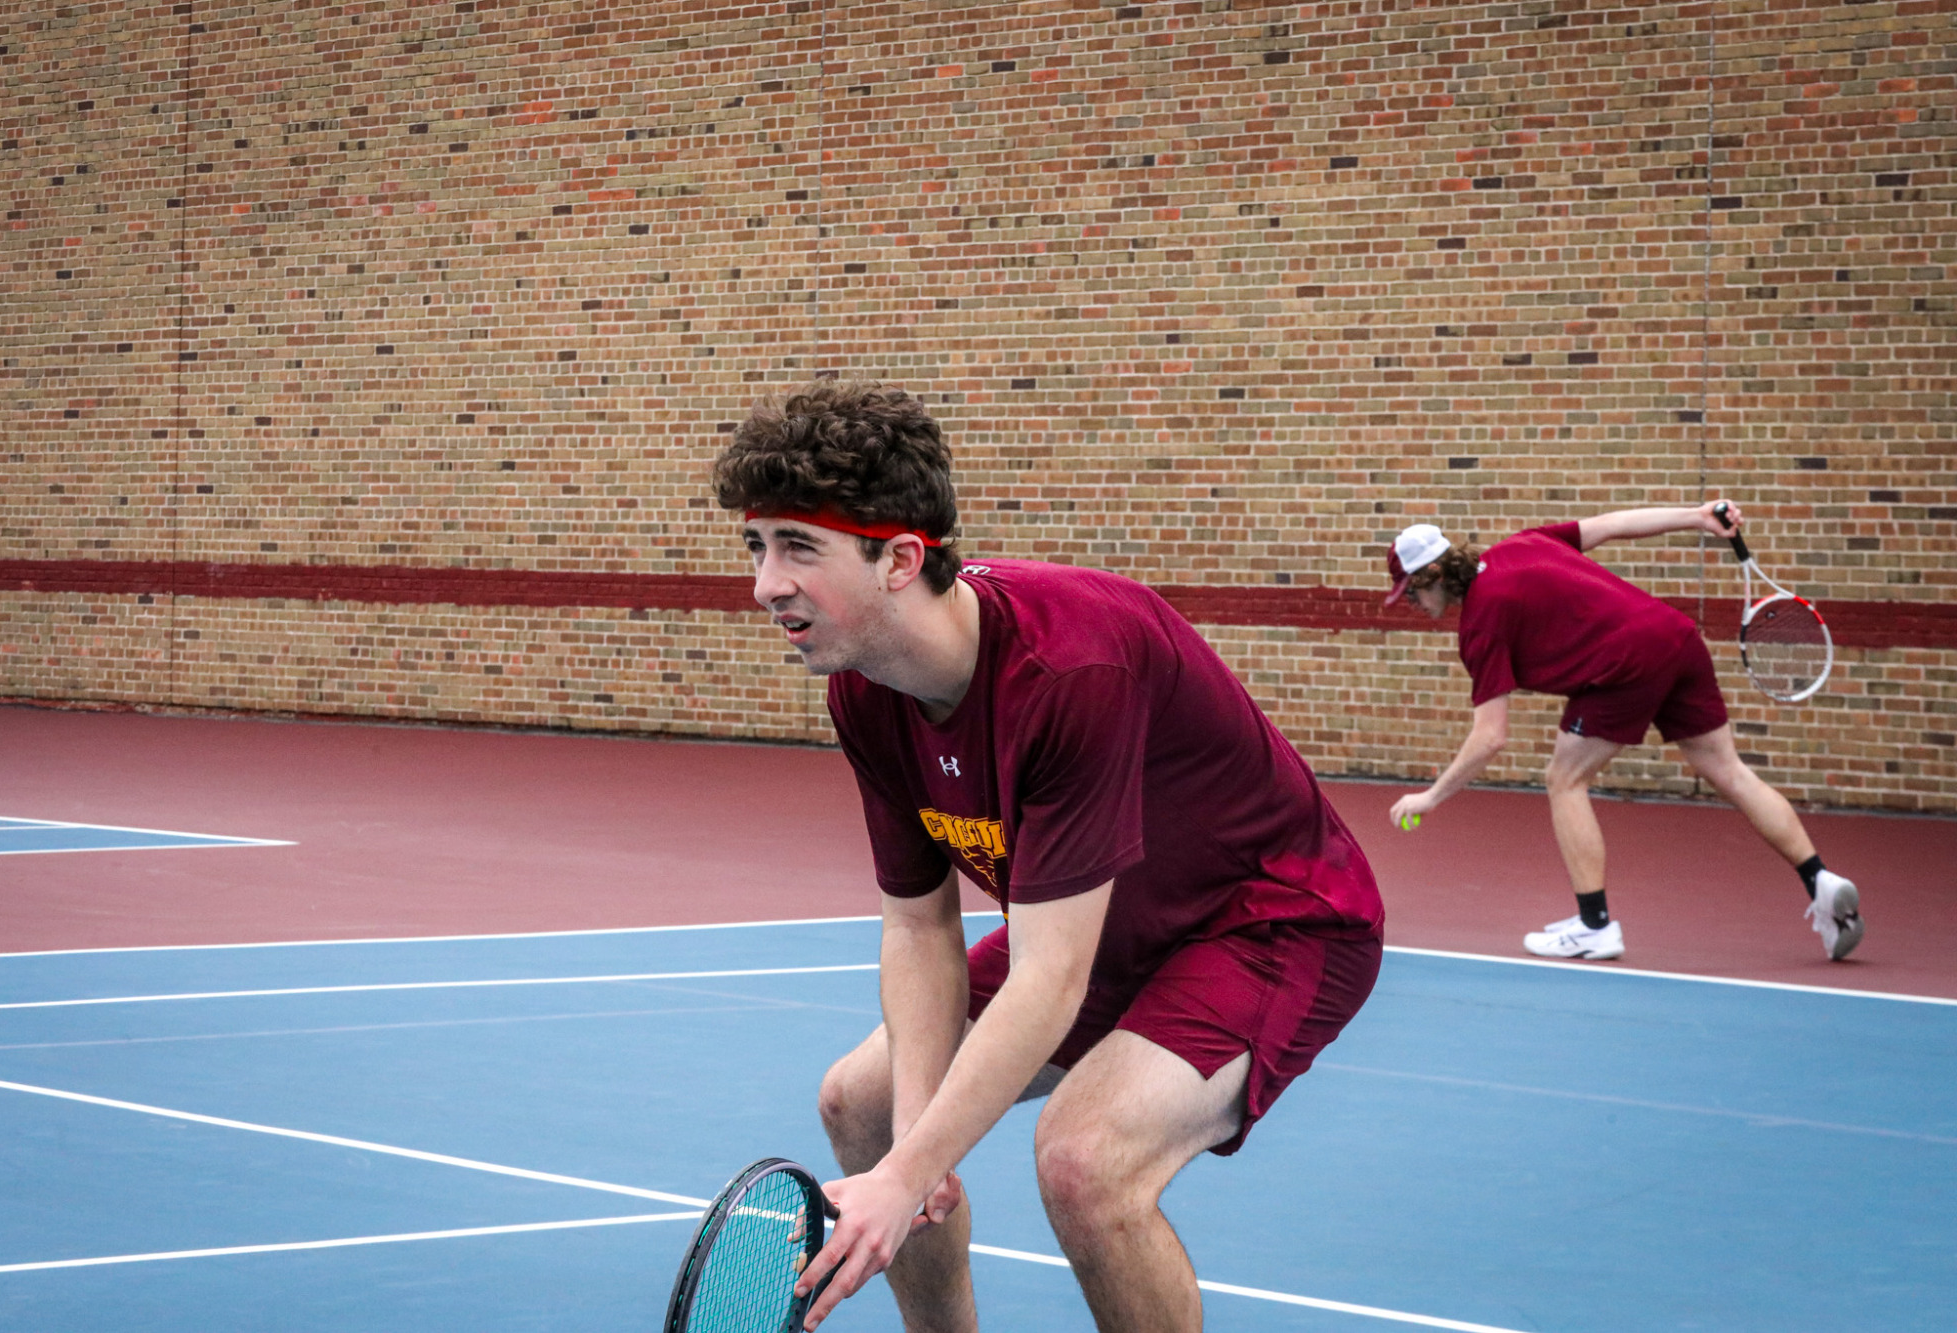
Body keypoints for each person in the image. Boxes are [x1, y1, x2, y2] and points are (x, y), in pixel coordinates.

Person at [712, 381, 1384, 1333]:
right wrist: (911, 1145)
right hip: (1103, 930)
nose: (764, 583)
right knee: (861, 1102)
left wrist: (907, 1177)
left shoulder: (1074, 666)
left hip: (1272, 922)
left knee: (1085, 1159)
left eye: (798, 548)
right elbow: (918, 922)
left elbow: (1052, 976)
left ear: (900, 557)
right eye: (758, 545)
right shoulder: (867, 691)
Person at [1381, 504, 1864, 963]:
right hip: (1675, 638)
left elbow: (1490, 738)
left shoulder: (1481, 625)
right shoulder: (1523, 544)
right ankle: (1819, 879)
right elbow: (1612, 524)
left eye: (1412, 592)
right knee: (1729, 771)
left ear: (1434, 577)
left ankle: (1595, 926)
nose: (1413, 605)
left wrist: (1432, 796)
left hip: (1624, 667)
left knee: (1564, 780)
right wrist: (1696, 517)